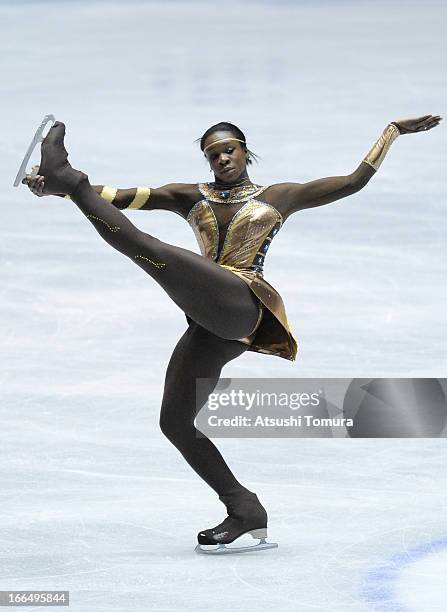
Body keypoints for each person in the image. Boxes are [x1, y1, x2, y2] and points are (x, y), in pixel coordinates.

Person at [23, 114, 441, 552]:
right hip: (210, 321)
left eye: (229, 149)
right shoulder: (188, 196)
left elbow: (354, 181)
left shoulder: (279, 196)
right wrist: (57, 192)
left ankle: (69, 176)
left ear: (245, 150)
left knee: (151, 251)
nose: (222, 158)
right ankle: (244, 508)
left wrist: (392, 131)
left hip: (243, 302)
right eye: (213, 153)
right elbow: (117, 198)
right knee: (175, 422)